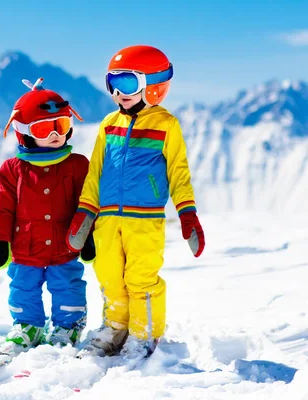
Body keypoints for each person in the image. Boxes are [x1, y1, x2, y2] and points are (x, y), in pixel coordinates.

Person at [66, 45, 206, 360]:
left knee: (141, 278)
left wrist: (187, 213)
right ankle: (115, 328)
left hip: (144, 220)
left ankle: (143, 335)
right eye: (112, 83)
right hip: (107, 219)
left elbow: (178, 171)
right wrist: (85, 213)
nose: (118, 92)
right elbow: (95, 172)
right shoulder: (108, 123)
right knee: (109, 275)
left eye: (127, 83)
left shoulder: (165, 125)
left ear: (153, 86)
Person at [0, 77, 95, 354]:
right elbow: (2, 207)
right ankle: (27, 326)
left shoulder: (77, 165)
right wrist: (0, 241)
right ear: (23, 132)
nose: (54, 135)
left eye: (60, 126)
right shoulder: (13, 169)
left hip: (65, 243)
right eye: (44, 128)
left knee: (68, 285)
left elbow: (87, 202)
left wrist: (89, 234)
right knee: (23, 287)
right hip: (26, 246)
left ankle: (68, 326)